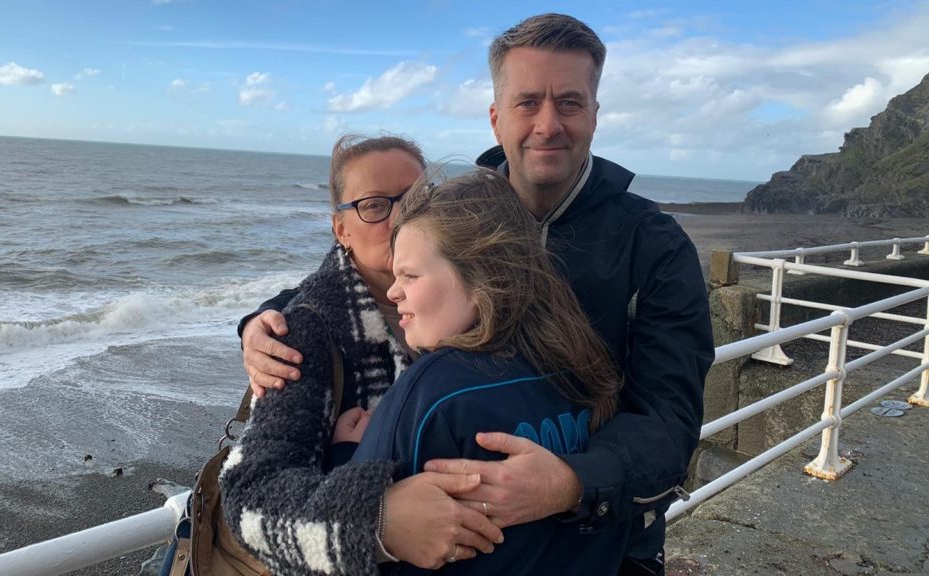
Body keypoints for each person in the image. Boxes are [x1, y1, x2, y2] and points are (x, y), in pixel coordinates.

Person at [240, 14, 714, 575]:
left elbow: (670, 419)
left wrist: (570, 482)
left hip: (603, 545)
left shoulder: (652, 246)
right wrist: (265, 320)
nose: (547, 124)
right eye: (527, 102)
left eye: (569, 103)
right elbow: (371, 274)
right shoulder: (457, 211)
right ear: (495, 117)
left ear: (593, 114)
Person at [219, 134, 503, 576]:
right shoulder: (309, 332)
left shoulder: (477, 301)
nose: (401, 218)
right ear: (341, 230)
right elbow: (250, 499)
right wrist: (377, 523)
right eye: (374, 206)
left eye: (415, 199)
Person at [346, 169, 626, 574]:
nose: (393, 291)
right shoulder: (581, 365)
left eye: (410, 275)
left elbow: (343, 532)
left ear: (483, 280)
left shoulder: (433, 391)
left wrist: (345, 452)